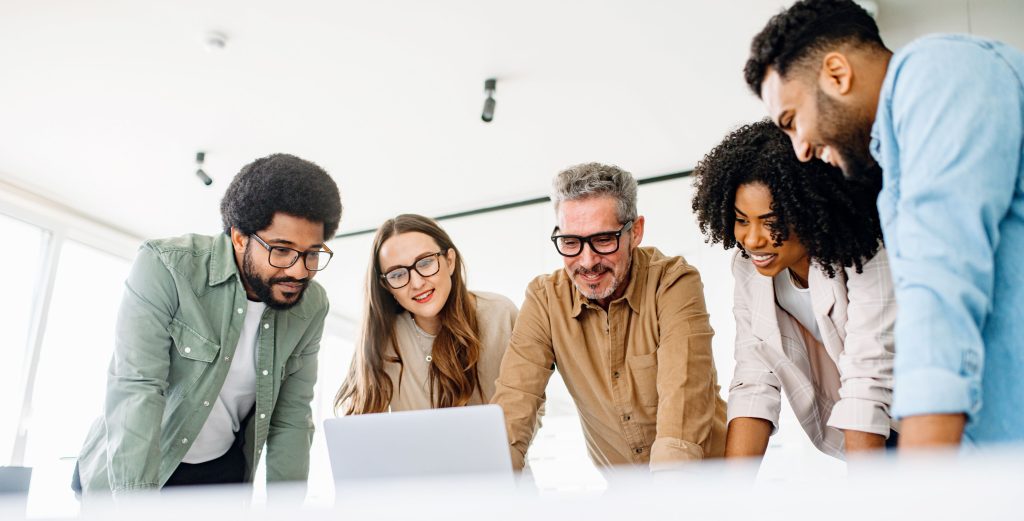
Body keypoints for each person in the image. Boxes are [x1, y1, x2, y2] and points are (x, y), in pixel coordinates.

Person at [744, 0, 1024, 448]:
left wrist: (917, 487)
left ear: (836, 73)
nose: (799, 149)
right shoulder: (894, 165)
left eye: (793, 121)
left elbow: (942, 291)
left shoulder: (937, 77)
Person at [74, 154, 341, 497]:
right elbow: (136, 388)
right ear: (240, 237)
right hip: (129, 474)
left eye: (312, 253)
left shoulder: (311, 305)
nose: (298, 271)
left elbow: (291, 416)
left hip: (219, 477)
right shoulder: (166, 268)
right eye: (282, 250)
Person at [491, 162, 726, 472]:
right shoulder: (545, 300)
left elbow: (680, 407)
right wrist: (494, 482)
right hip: (625, 496)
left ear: (636, 231)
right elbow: (515, 404)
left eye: (603, 240)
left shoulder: (673, 283)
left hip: (707, 484)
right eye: (571, 243)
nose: (587, 262)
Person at [692, 120, 895, 460]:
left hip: (932, 424)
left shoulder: (866, 253)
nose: (753, 239)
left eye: (771, 222)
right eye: (742, 220)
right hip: (873, 437)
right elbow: (753, 380)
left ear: (810, 211)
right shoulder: (748, 269)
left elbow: (868, 379)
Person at [335, 214, 518, 413]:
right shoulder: (382, 336)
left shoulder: (500, 313)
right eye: (397, 274)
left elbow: (529, 405)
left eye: (424, 263)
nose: (417, 283)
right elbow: (361, 425)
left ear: (449, 261)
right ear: (386, 286)